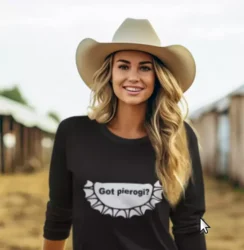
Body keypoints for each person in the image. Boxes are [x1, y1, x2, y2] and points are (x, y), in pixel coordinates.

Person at [42, 18, 207, 250]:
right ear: (109, 72)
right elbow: (58, 213)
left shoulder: (178, 136)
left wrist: (204, 229)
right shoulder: (72, 133)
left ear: (158, 76)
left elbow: (192, 222)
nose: (133, 77)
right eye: (123, 66)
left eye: (145, 67)